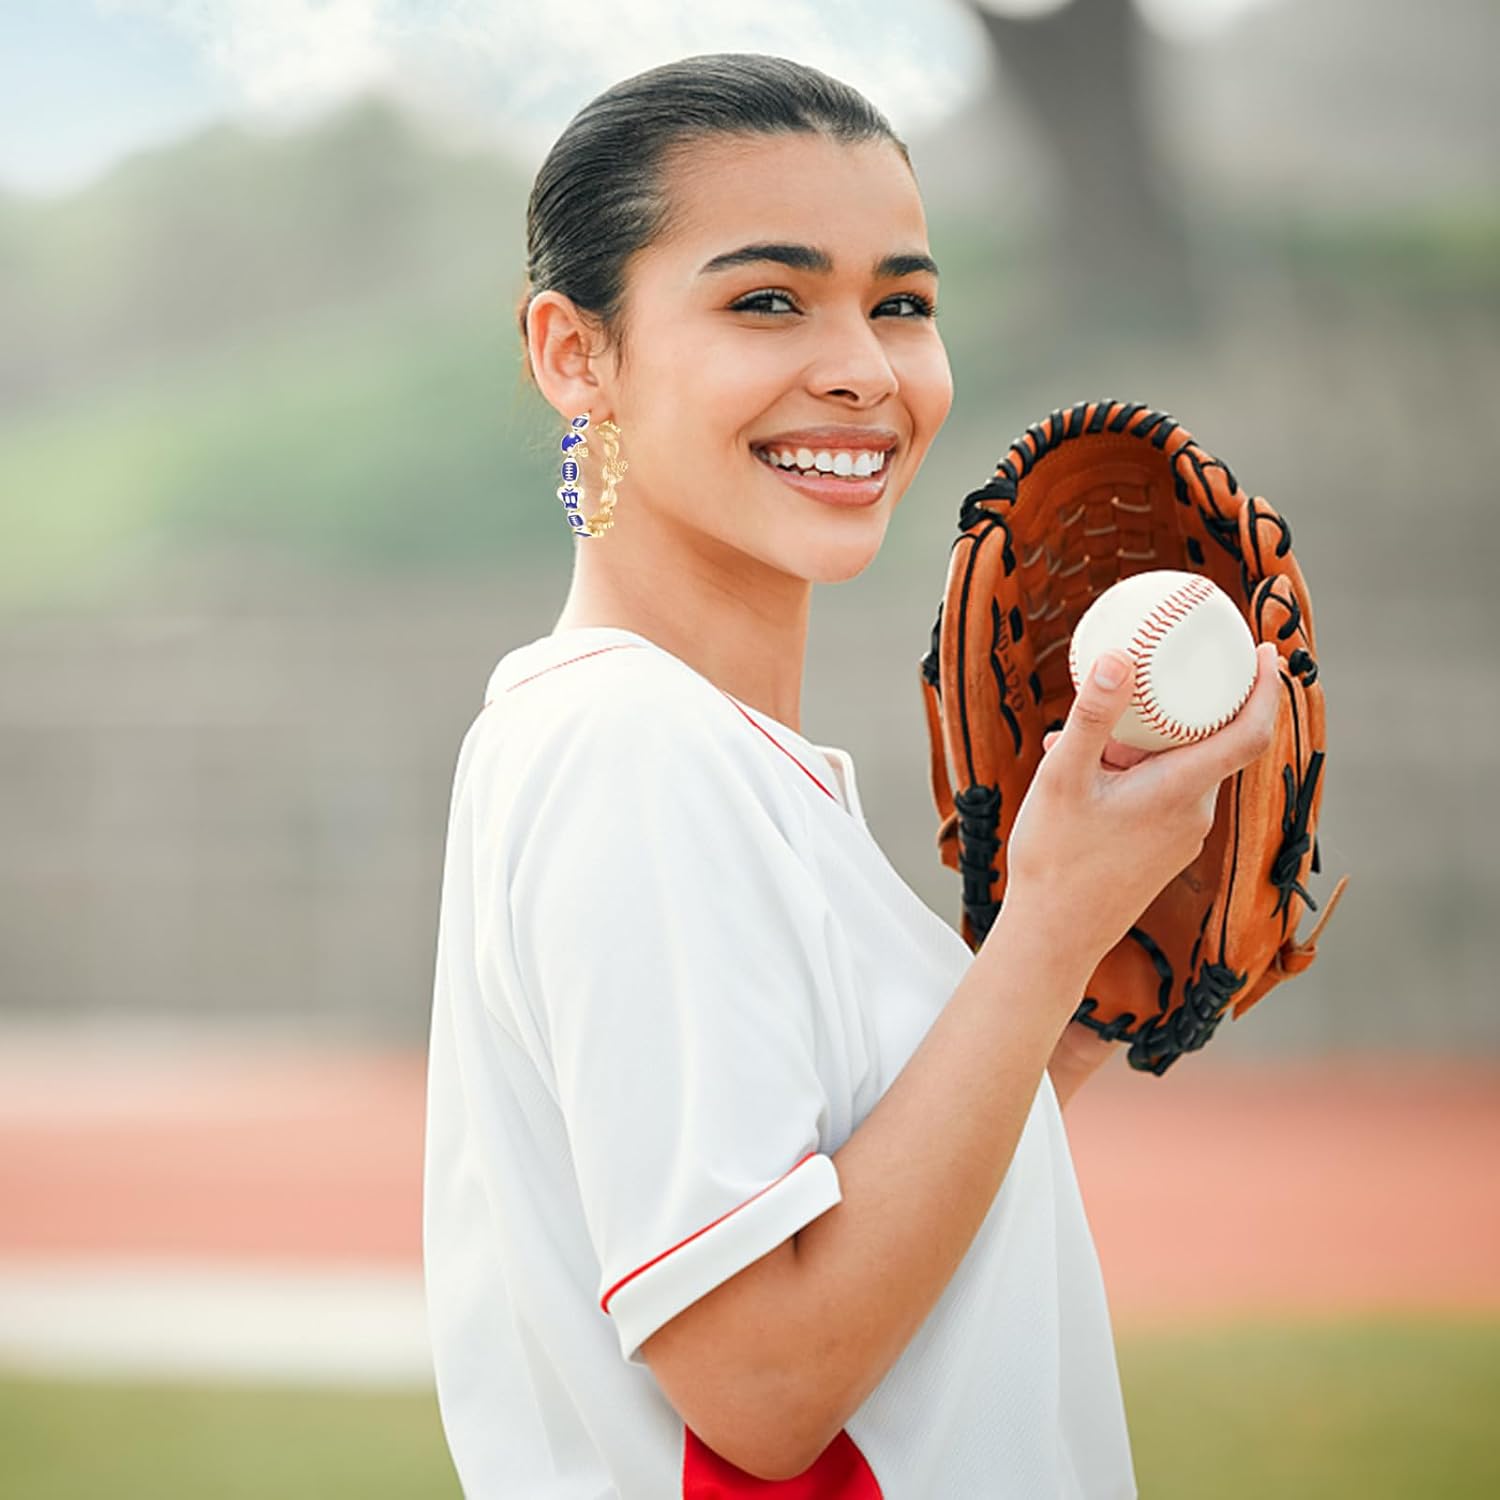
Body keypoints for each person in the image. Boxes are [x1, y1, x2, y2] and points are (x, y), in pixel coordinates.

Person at [422, 51, 1281, 1499]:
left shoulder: (697, 753)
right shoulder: (632, 749)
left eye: (903, 302)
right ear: (577, 354)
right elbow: (763, 1390)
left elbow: (884, 1274)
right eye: (768, 298)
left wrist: (1057, 1020)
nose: (866, 368)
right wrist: (1051, 923)